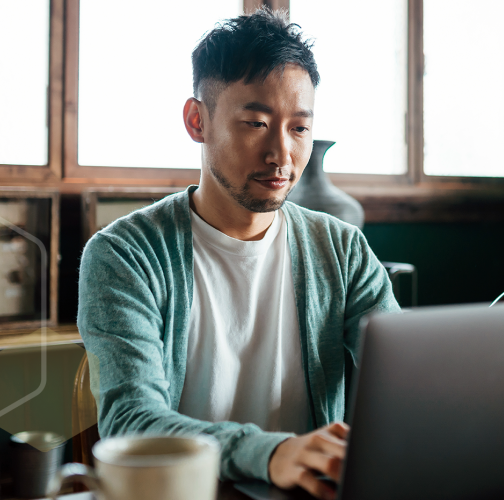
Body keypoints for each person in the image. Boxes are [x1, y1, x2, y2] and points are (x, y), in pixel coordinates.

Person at [77, 8, 399, 500]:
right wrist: (270, 454)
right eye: (256, 123)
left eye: (299, 128)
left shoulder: (341, 248)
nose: (282, 155)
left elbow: (405, 380)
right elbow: (131, 421)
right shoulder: (124, 255)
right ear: (196, 120)